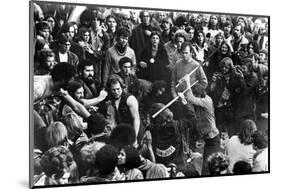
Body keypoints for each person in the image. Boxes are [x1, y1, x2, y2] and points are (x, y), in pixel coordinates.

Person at [181, 75, 220, 176]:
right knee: (206, 168)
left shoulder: (206, 101)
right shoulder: (201, 100)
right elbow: (189, 100)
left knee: (207, 170)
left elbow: (191, 98)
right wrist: (184, 100)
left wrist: (187, 82)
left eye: (195, 95)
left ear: (198, 95)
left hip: (213, 140)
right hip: (208, 139)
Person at [106, 77, 140, 146]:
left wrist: (134, 138)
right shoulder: (110, 101)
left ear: (122, 87)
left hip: (133, 130)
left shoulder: (130, 99)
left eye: (118, 89)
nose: (116, 92)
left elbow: (136, 119)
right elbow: (112, 120)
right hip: (122, 132)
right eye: (113, 90)